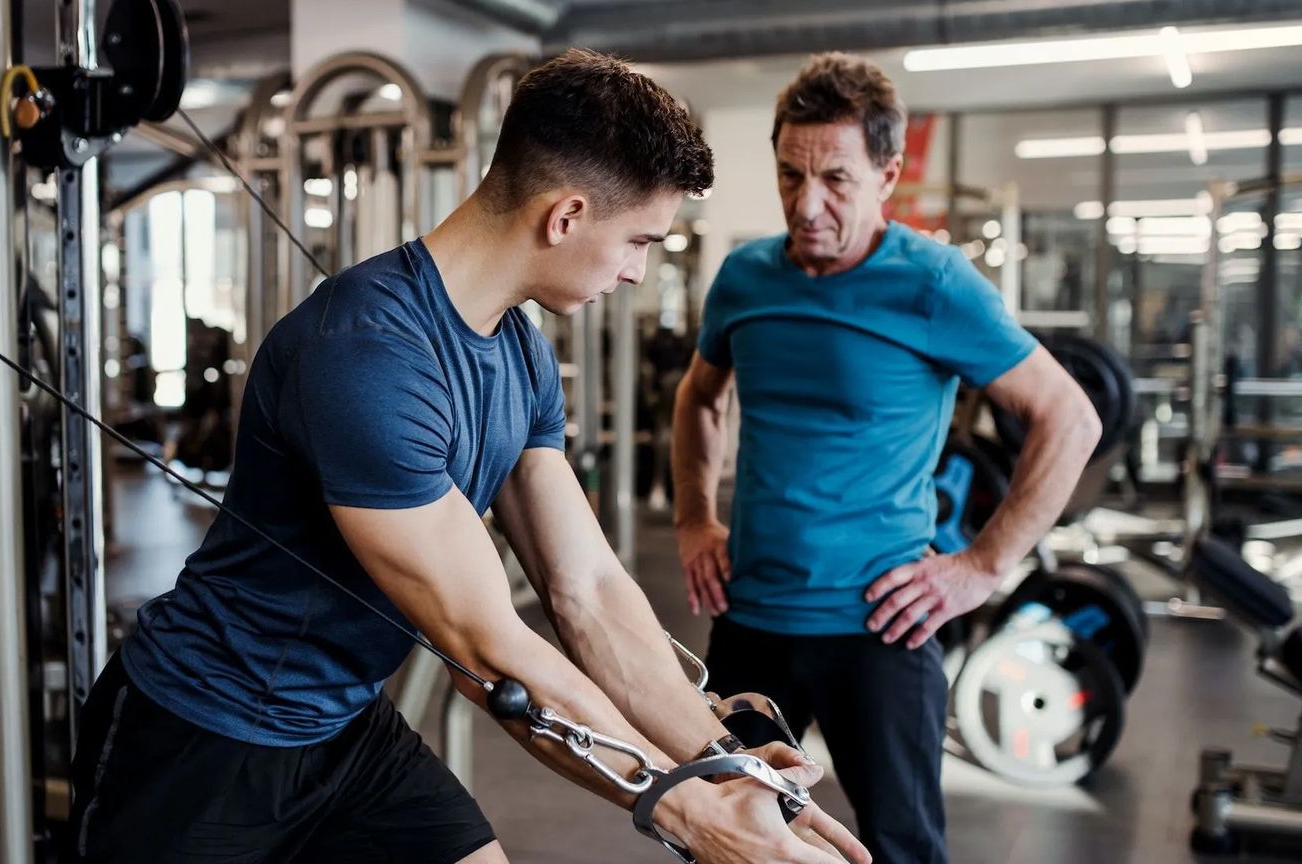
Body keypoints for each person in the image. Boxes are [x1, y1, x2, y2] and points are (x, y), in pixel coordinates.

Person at [68, 49, 868, 864]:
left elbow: (585, 589)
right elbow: (486, 647)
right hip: (203, 733)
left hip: (344, 727)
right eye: (638, 241)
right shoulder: (366, 354)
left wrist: (718, 759)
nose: (637, 272)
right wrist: (692, 815)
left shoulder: (519, 354)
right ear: (566, 216)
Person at [670, 52, 1102, 864]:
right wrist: (695, 518)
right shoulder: (743, 280)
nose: (807, 204)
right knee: (723, 840)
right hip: (751, 620)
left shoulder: (934, 284)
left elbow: (1067, 417)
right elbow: (699, 397)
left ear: (888, 175)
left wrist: (982, 566)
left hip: (880, 628)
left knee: (900, 849)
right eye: (790, 176)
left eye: (835, 178)